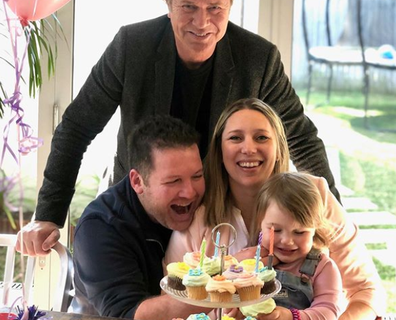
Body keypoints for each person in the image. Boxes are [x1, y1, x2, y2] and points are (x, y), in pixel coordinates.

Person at [17, 0, 340, 256]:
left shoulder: (258, 58)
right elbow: (76, 129)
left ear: (229, 8)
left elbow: (301, 138)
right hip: (142, 208)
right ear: (169, 5)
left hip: (217, 217)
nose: (202, 22)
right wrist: (48, 215)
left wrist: (333, 222)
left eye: (215, 8)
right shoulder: (132, 46)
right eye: (188, 7)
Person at [165, 98, 386, 320]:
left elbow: (366, 291)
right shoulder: (201, 218)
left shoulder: (314, 196)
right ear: (219, 152)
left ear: (280, 148)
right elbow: (176, 297)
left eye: (261, 137)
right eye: (235, 138)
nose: (249, 148)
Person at [70, 114, 207, 319]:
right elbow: (127, 313)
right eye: (173, 181)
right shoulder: (100, 227)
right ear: (137, 181)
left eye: (197, 176)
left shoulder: (201, 206)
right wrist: (221, 289)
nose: (190, 192)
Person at [252, 172, 343, 320]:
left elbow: (329, 310)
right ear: (260, 223)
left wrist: (291, 316)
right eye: (277, 230)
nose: (287, 241)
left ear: (315, 229)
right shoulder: (252, 262)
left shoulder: (322, 267)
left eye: (300, 232)